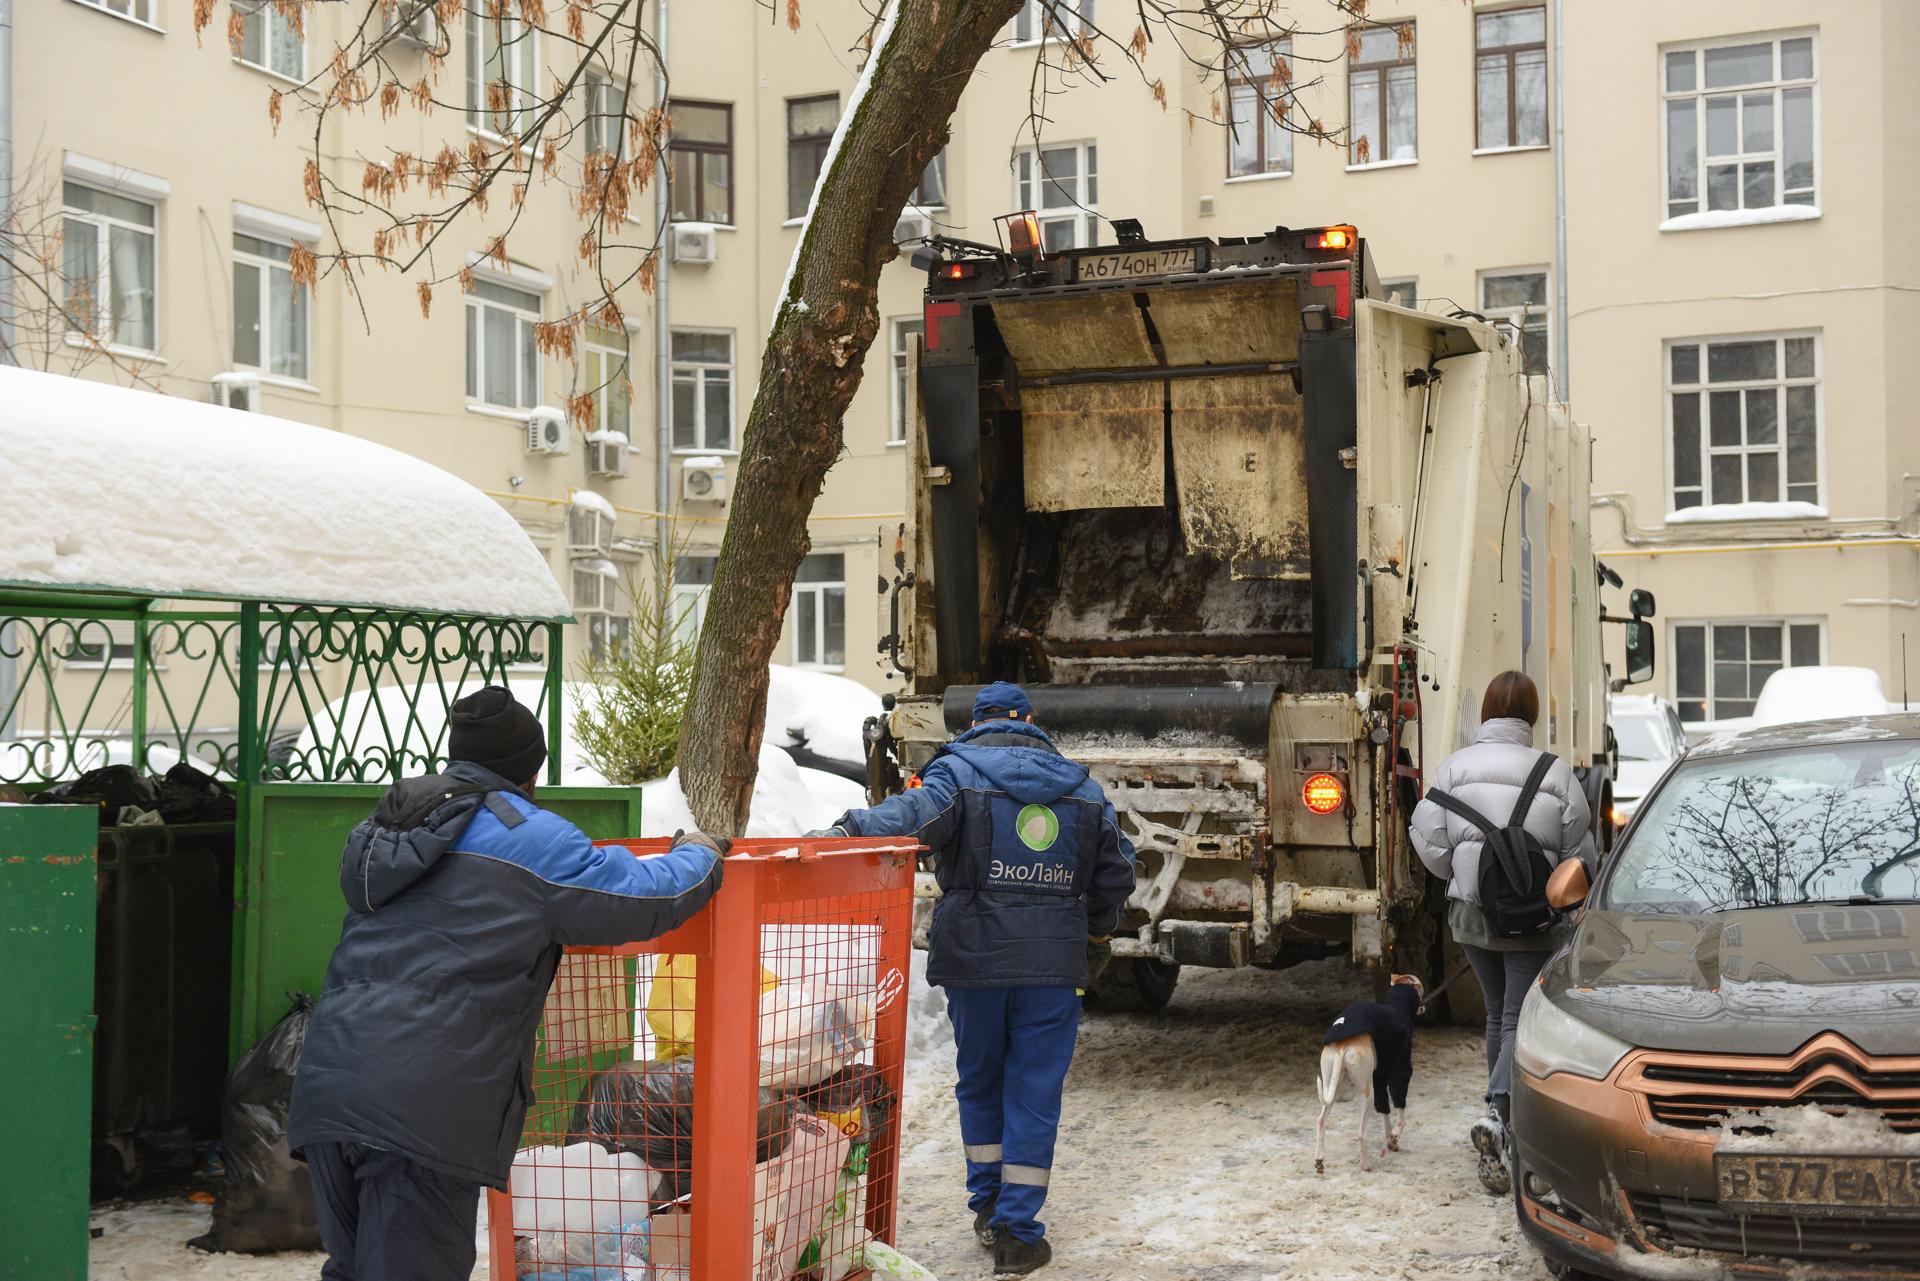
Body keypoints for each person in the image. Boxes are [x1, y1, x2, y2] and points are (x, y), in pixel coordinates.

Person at [288, 686, 726, 1281]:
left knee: (353, 1270)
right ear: (531, 769)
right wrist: (700, 854)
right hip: (421, 1106)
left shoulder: (389, 831)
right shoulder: (529, 837)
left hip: (330, 1089)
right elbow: (644, 896)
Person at [824, 681, 1135, 1274]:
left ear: (975, 723)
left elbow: (907, 818)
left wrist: (845, 832)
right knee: (1034, 1091)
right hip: (1052, 971)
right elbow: (1116, 873)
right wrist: (1094, 933)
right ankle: (1019, 1234)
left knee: (980, 1080)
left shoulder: (957, 776)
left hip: (974, 964)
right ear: (1032, 721)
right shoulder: (1084, 790)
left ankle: (988, 1205)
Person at [1409, 670, 1594, 1197]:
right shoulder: (1555, 774)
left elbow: (1430, 840)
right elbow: (1580, 854)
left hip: (1472, 916)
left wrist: (1467, 877)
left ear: (1487, 711)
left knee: (1499, 1014)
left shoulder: (1453, 768)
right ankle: (1500, 1117)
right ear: (1531, 714)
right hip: (1534, 917)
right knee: (1517, 1015)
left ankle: (1500, 1115)